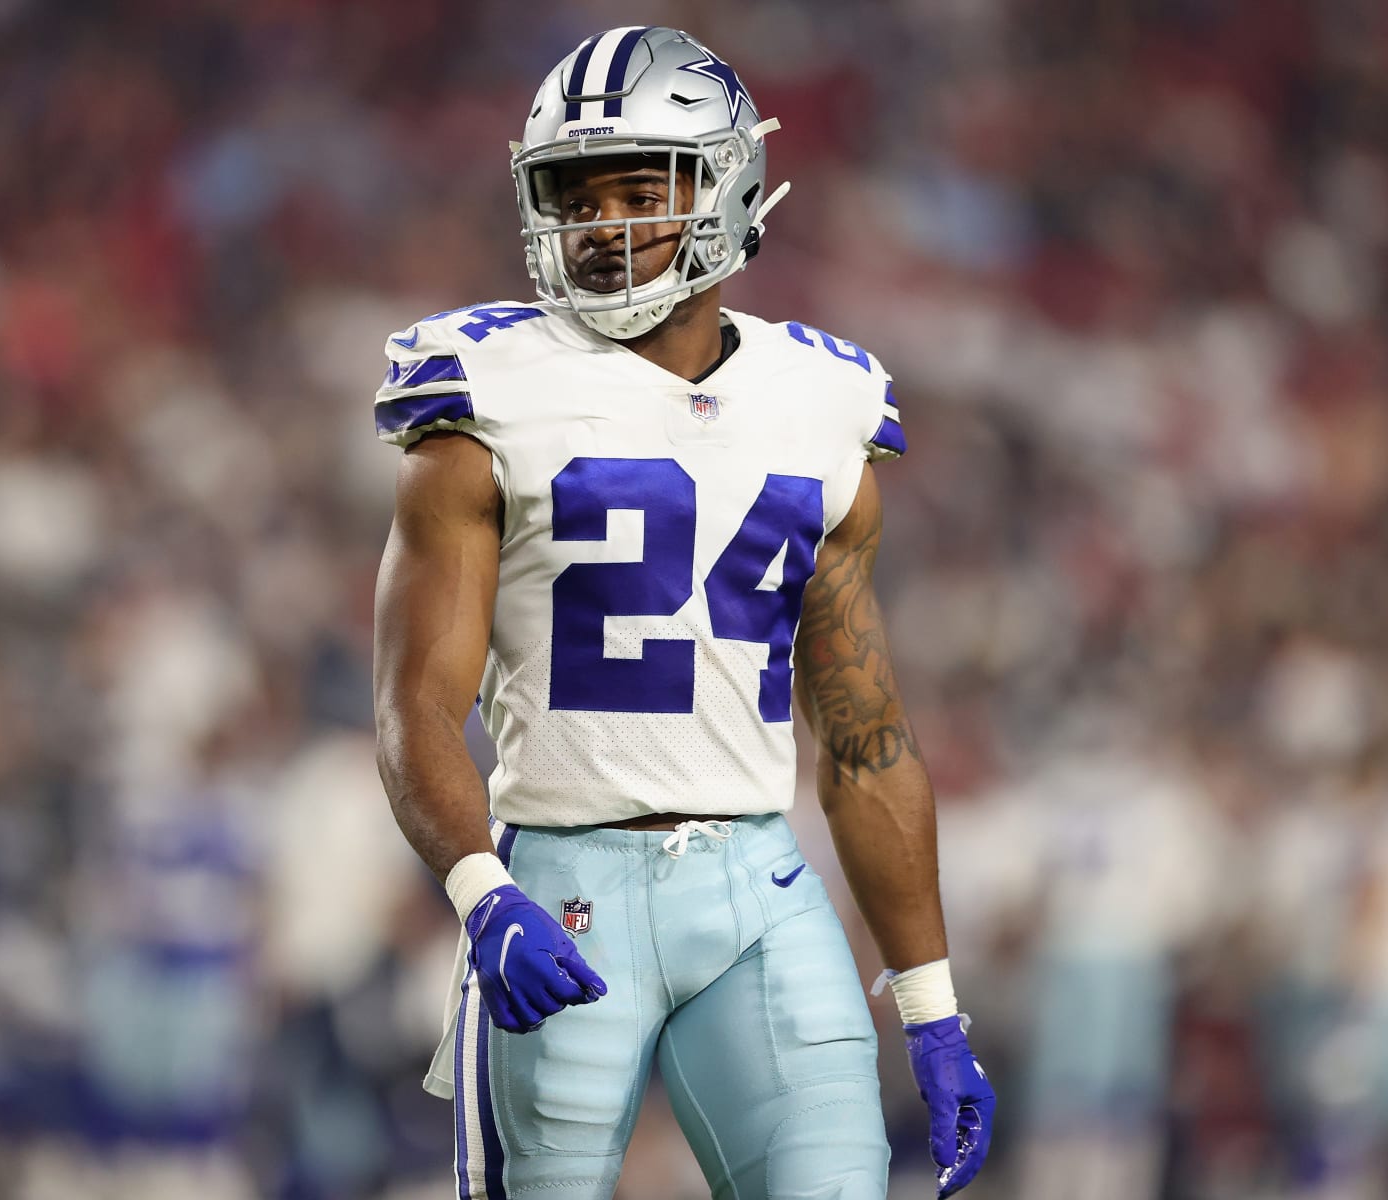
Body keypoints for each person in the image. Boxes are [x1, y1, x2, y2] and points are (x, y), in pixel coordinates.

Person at [372, 26, 994, 1199]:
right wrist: (480, 891)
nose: (601, 225)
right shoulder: (482, 397)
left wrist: (931, 1001)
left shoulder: (822, 400)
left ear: (727, 188)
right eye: (575, 193)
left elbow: (863, 737)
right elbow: (413, 704)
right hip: (560, 895)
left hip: (758, 892)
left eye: (637, 188)